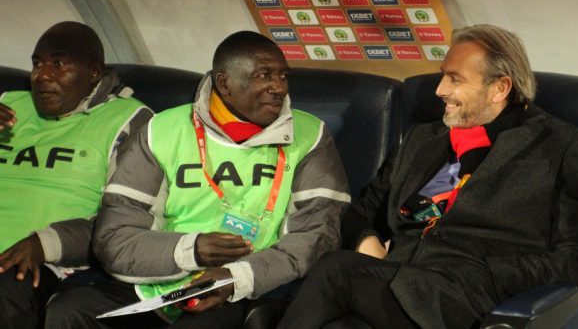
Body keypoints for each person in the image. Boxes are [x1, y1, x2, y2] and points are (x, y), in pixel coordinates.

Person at [278, 24, 578, 329]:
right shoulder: (423, 140)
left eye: (455, 79)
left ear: (500, 88)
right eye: (442, 77)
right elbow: (361, 212)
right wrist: (368, 246)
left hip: (463, 299)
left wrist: (491, 273)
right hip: (393, 287)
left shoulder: (562, 147)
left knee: (336, 271)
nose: (439, 90)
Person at [45, 31, 350, 328]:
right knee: (71, 310)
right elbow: (115, 237)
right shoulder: (162, 130)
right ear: (224, 83)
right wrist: (191, 250)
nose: (278, 87)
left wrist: (235, 278)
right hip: (161, 279)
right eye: (263, 76)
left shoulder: (310, 136)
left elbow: (316, 236)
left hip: (250, 284)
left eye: (283, 76)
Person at [0, 21, 153, 328]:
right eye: (37, 63)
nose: (42, 76)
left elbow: (128, 220)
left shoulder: (130, 120)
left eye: (58, 64)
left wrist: (45, 243)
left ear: (94, 72)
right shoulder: (8, 104)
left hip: (38, 258)